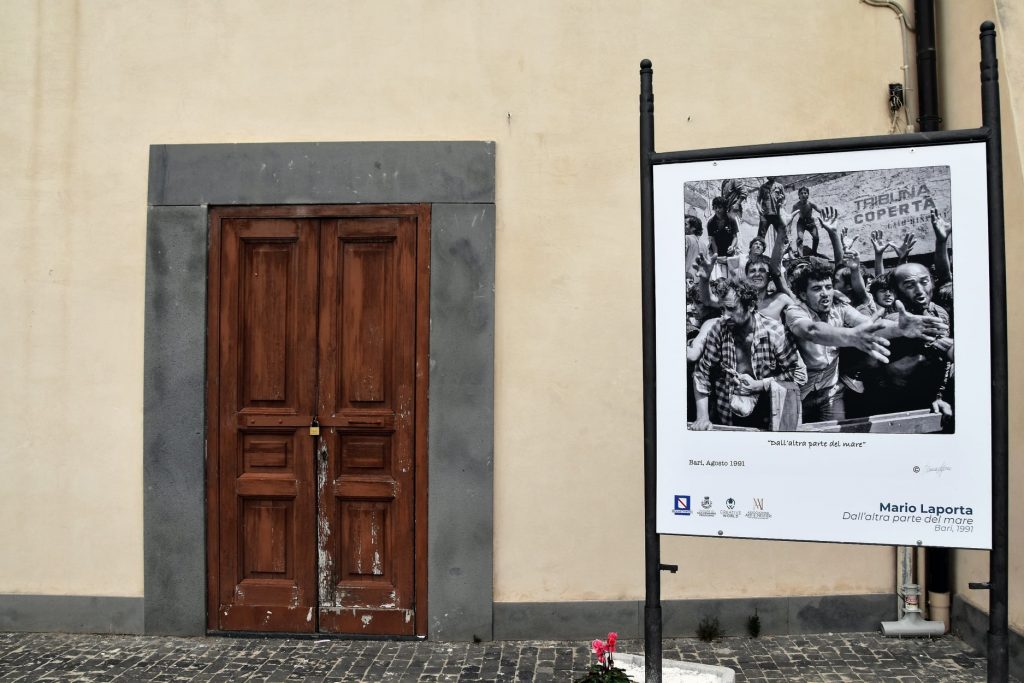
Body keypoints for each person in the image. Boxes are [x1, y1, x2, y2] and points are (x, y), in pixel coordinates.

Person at [781, 260, 949, 424]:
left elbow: (870, 325)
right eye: (817, 289)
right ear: (803, 295)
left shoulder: (840, 307)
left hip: (830, 391)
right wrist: (851, 336)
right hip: (798, 391)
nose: (825, 293)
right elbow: (812, 331)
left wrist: (898, 328)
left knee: (837, 437)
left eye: (828, 287)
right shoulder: (794, 311)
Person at [691, 279, 807, 430]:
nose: (725, 316)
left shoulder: (774, 332)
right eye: (722, 309)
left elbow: (799, 374)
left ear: (751, 306)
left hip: (770, 413)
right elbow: (701, 374)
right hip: (728, 415)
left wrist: (760, 385)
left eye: (731, 309)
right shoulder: (718, 329)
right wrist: (702, 417)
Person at [863, 262, 955, 421]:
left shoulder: (939, 313)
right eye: (910, 285)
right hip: (892, 404)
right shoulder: (894, 320)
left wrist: (938, 395)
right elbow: (882, 330)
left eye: (924, 281)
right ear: (895, 291)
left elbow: (943, 362)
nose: (920, 290)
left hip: (927, 400)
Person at [792, 186, 821, 255]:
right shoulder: (796, 205)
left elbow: (820, 210)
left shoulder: (811, 204)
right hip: (801, 223)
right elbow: (791, 216)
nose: (803, 195)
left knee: (816, 237)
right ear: (799, 195)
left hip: (810, 222)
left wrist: (825, 216)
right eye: (801, 193)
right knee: (800, 238)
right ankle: (800, 255)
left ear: (808, 195)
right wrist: (788, 226)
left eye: (805, 193)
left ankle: (814, 252)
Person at [756, 176, 787, 240]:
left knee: (783, 235)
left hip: (777, 214)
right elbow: (758, 201)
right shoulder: (762, 187)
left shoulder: (779, 186)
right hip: (765, 215)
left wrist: (783, 205)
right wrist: (759, 208)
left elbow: (785, 199)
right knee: (760, 237)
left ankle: (787, 246)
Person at [683, 214, 709, 280]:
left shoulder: (686, 238)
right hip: (698, 281)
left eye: (685, 224)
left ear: (693, 228)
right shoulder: (704, 245)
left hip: (687, 280)